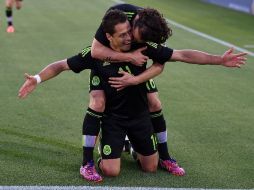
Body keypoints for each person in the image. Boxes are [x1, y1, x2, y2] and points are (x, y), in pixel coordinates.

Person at [18, 6, 247, 183]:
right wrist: (36, 79)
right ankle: (90, 159)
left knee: (151, 155)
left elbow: (181, 55)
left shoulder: (143, 45)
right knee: (110, 166)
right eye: (124, 34)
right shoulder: (96, 52)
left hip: (138, 114)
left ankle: (148, 151)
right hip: (114, 118)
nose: (129, 38)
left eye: (130, 33)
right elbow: (61, 65)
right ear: (109, 36)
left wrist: (219, 60)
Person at [85, 4, 185, 180]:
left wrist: (135, 80)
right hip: (117, 62)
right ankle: (98, 154)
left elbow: (162, 63)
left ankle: (163, 156)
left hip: (139, 71)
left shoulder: (154, 30)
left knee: (154, 102)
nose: (131, 39)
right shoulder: (117, 16)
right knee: (99, 102)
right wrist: (130, 56)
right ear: (134, 23)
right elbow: (95, 51)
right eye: (130, 33)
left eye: (136, 38)